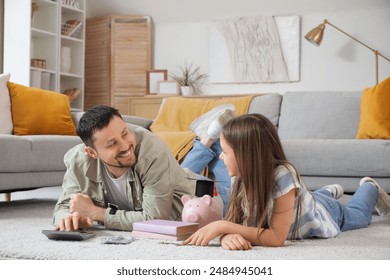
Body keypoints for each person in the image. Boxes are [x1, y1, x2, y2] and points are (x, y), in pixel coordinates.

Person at [182, 113, 390, 250]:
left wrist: (221, 227)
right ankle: (325, 191)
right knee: (309, 197)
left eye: (225, 152)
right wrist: (227, 235)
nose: (220, 157)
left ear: (247, 155)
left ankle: (368, 187)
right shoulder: (240, 176)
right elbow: (237, 223)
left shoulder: (283, 175)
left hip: (324, 213)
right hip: (301, 203)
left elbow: (275, 238)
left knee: (360, 216)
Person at [53, 105, 209, 231]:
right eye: (112, 143)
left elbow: (154, 219)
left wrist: (96, 213)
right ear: (92, 153)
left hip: (202, 196)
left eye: (125, 133)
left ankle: (208, 139)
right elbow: (63, 207)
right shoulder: (78, 161)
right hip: (174, 177)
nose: (125, 145)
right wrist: (70, 219)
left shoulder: (153, 154)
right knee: (179, 171)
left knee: (227, 190)